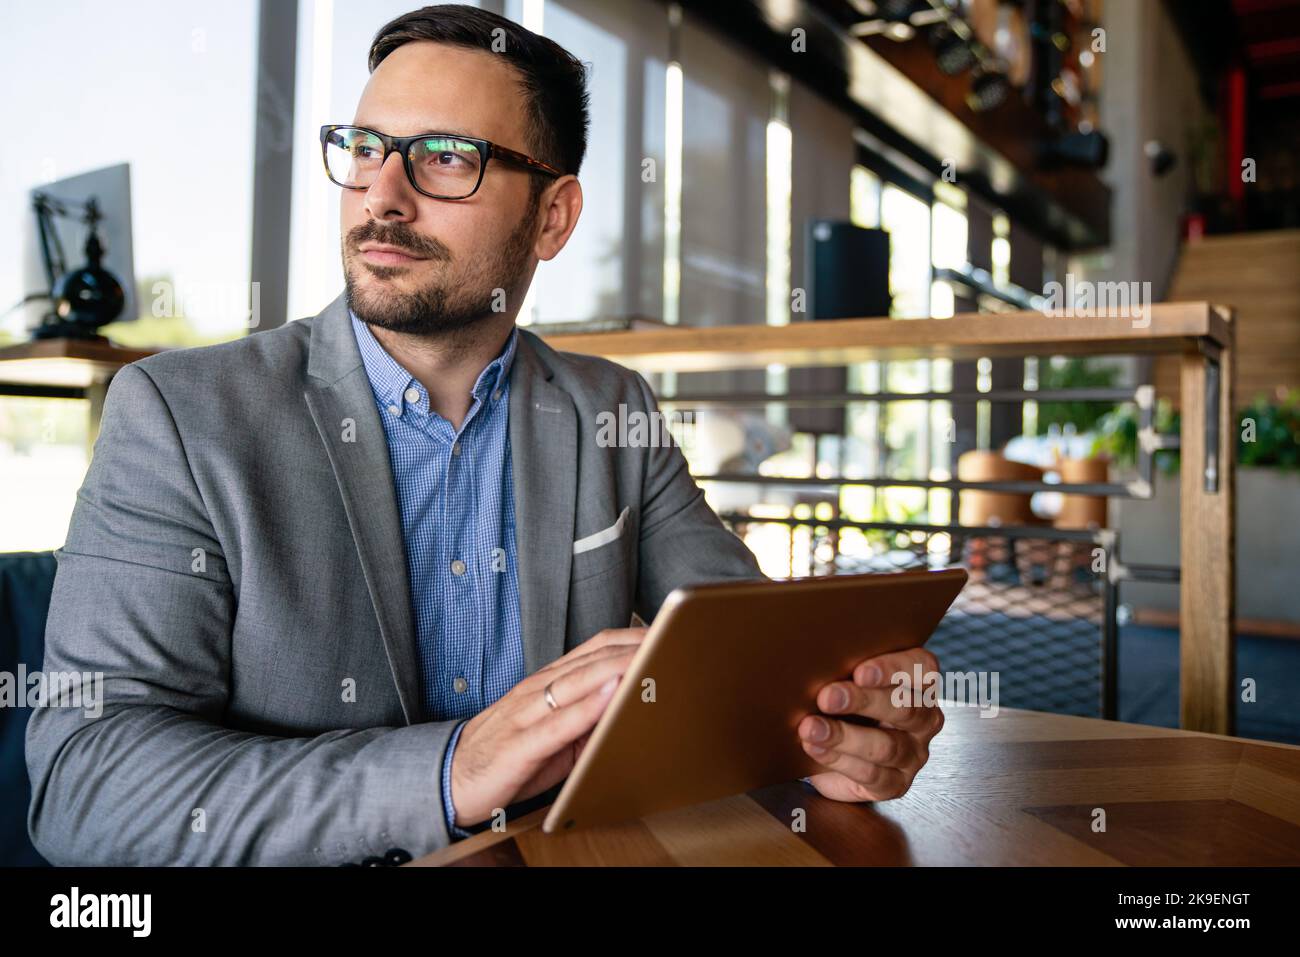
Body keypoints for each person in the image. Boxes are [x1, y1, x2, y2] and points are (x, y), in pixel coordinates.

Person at [26, 4, 943, 866]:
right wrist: (454, 768)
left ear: (553, 216)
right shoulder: (179, 416)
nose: (383, 195)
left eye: (446, 157)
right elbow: (87, 783)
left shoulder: (610, 412)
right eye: (366, 148)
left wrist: (832, 730)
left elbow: (747, 671)